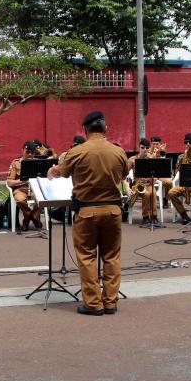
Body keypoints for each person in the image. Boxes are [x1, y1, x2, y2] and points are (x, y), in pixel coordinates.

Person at [49, 110, 127, 316]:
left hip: (86, 211)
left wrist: (52, 170)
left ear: (85, 130)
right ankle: (110, 302)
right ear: (105, 129)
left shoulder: (77, 151)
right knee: (112, 257)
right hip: (113, 211)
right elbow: (124, 173)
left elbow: (61, 172)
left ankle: (93, 304)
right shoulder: (118, 151)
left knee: (87, 257)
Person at [167, 133, 191, 225]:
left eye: (190, 142)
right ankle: (184, 215)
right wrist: (182, 160)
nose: (187, 144)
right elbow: (178, 171)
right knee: (171, 193)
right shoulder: (181, 157)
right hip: (185, 184)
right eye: (186, 142)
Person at [7, 141, 41, 231]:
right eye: (27, 152)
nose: (30, 154)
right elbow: (9, 182)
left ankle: (26, 220)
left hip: (34, 189)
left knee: (41, 200)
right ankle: (32, 218)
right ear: (22, 150)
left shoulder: (38, 163)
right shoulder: (16, 163)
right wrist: (23, 180)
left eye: (32, 153)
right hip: (20, 189)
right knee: (20, 200)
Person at [126, 138, 159, 225]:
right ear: (139, 147)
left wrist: (155, 178)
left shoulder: (152, 158)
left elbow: (157, 173)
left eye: (147, 148)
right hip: (138, 184)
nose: (145, 149)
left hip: (149, 183)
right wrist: (127, 187)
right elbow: (124, 174)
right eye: (142, 147)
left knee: (153, 193)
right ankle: (145, 217)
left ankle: (154, 216)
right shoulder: (132, 159)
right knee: (146, 194)